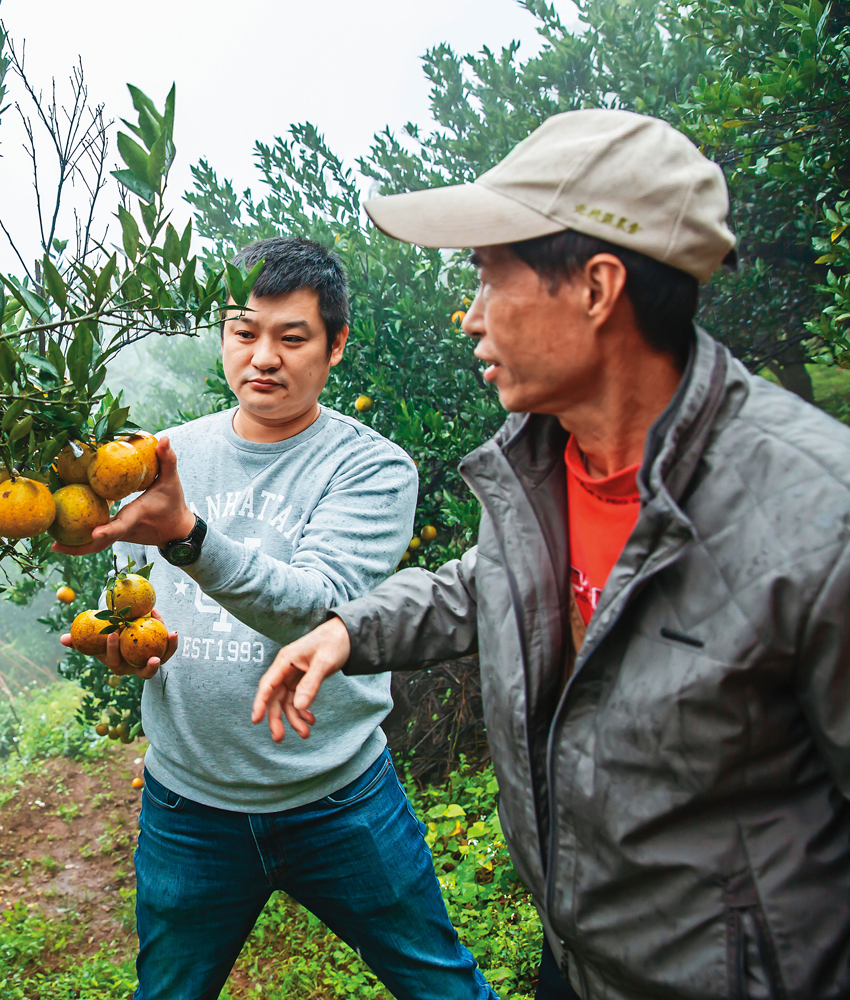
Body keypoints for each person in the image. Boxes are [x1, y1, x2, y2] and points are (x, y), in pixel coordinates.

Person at [252, 109, 850, 1000]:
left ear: (598, 288)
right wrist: (348, 629)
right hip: (573, 960)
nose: (470, 317)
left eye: (492, 276)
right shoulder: (542, 458)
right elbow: (492, 582)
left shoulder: (816, 520)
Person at [55, 237, 497, 1000]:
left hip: (338, 799)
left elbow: (318, 607)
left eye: (292, 337)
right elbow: (131, 595)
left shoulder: (373, 468)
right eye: (243, 332)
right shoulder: (164, 456)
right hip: (188, 805)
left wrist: (189, 537)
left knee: (442, 987)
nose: (263, 356)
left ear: (336, 346)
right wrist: (122, 644)